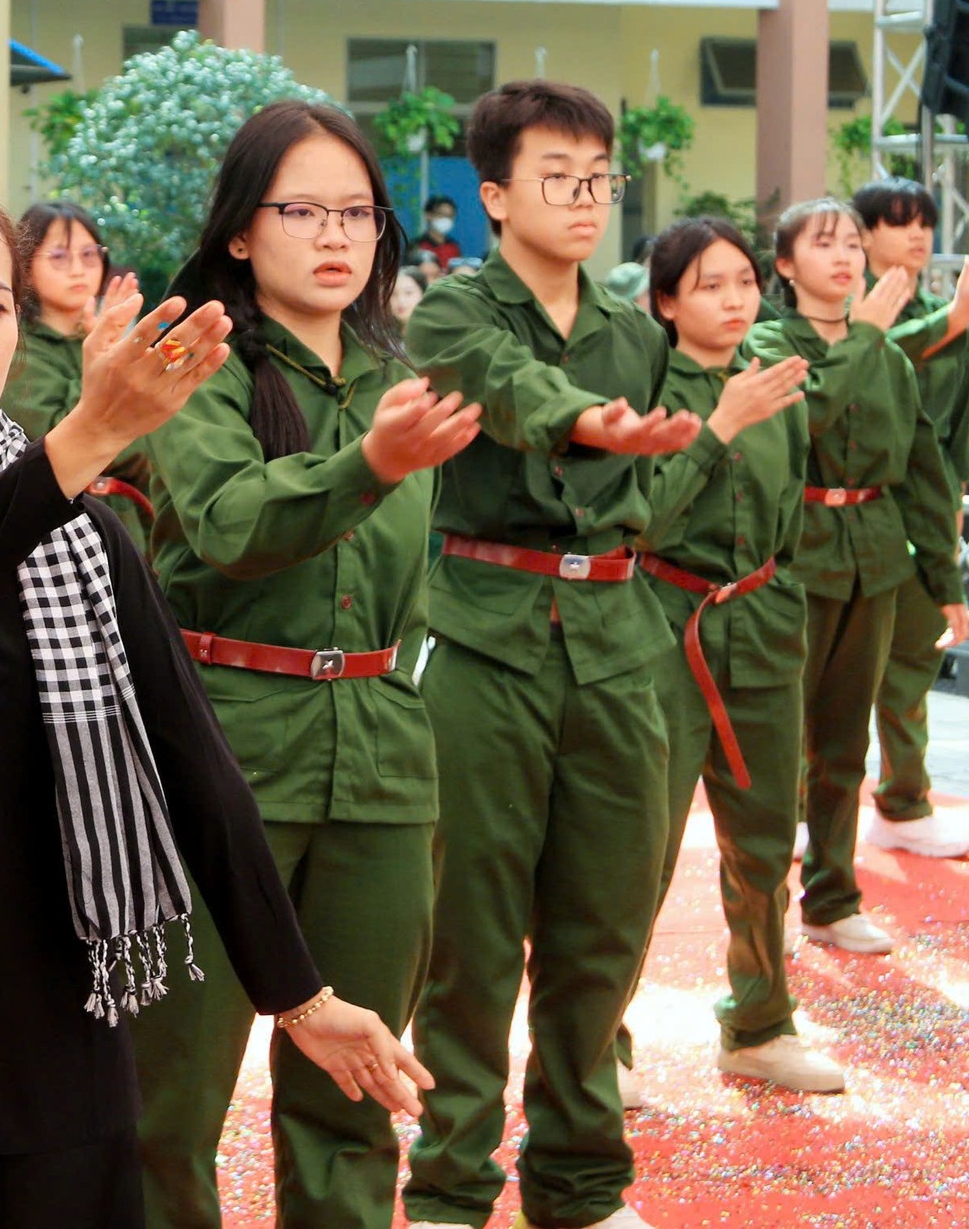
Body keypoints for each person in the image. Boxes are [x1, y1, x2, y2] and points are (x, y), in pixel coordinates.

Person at [0, 173, 431, 1229]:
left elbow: (194, 764)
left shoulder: (88, 538)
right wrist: (84, 440)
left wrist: (300, 996)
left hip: (56, 1038)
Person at [127, 101, 479, 1229]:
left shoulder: (395, 376)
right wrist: (366, 465)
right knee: (169, 1095)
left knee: (357, 1085)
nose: (334, 234)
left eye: (356, 212)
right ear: (240, 230)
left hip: (379, 751)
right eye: (301, 210)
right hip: (221, 748)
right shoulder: (195, 365)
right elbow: (230, 522)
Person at [401, 80, 702, 1229]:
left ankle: (578, 1185)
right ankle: (449, 1187)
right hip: (484, 634)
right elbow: (504, 385)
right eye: (555, 177)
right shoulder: (448, 310)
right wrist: (585, 420)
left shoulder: (635, 334)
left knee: (603, 929)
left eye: (597, 178)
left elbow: (651, 489)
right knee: (470, 935)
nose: (584, 199)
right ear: (491, 194)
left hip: (618, 641)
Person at [617, 216, 843, 1095]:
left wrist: (781, 596)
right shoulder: (641, 387)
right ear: (666, 302)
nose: (734, 299)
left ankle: (758, 1024)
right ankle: (598, 1042)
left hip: (765, 620)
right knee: (638, 846)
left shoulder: (777, 376)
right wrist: (718, 424)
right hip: (663, 626)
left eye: (745, 281)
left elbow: (791, 510)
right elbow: (643, 522)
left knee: (765, 841)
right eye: (709, 285)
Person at [742, 199, 968, 957]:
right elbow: (804, 417)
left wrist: (945, 580)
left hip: (873, 556)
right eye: (823, 243)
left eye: (850, 244)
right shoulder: (769, 341)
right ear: (784, 265)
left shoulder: (892, 359)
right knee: (779, 744)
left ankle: (832, 899)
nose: (844, 257)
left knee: (843, 745)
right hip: (794, 558)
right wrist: (866, 333)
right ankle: (762, 911)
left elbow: (924, 471)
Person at [853, 178, 969, 860]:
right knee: (834, 672)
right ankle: (806, 808)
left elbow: (956, 425)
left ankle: (903, 802)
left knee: (913, 665)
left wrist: (956, 495)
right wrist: (951, 321)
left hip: (928, 513)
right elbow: (864, 358)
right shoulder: (846, 308)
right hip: (854, 510)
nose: (918, 234)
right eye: (899, 222)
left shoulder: (944, 311)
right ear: (864, 234)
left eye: (924, 221)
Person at [3, 200, 155, 548]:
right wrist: (100, 352)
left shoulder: (102, 337)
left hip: (133, 524)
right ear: (25, 267)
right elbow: (62, 440)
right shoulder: (16, 348)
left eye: (89, 255)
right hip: (61, 531)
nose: (78, 269)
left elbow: (153, 438)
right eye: (59, 256)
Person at [418, 194, 462, 267]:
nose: (446, 219)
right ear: (428, 215)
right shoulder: (418, 246)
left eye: (450, 216)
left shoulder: (454, 247)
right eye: (441, 214)